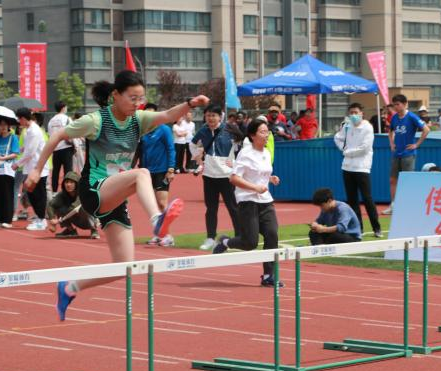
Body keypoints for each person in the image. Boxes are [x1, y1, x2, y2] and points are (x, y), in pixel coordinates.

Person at [25, 70, 207, 321]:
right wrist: (37, 170)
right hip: (94, 189)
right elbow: (57, 135)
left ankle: (70, 287)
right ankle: (157, 220)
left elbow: (167, 115)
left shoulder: (138, 119)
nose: (137, 104)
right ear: (115, 95)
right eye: (132, 98)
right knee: (141, 173)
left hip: (115, 197)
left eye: (141, 99)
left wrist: (190, 104)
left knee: (124, 266)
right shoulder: (95, 121)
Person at [212, 119, 282, 287]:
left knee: (272, 234)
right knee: (250, 242)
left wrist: (270, 179)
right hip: (248, 201)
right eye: (262, 132)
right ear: (252, 135)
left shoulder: (266, 153)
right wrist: (255, 188)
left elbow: (260, 174)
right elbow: (234, 178)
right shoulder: (245, 153)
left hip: (266, 201)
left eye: (267, 132)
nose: (266, 135)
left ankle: (269, 275)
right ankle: (226, 242)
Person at [191, 104, 240, 251]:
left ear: (220, 116)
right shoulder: (203, 130)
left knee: (233, 207)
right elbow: (192, 144)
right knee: (211, 208)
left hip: (226, 175)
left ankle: (239, 237)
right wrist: (198, 158)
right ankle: (210, 238)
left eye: (213, 115)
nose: (210, 118)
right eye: (208, 115)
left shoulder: (230, 129)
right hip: (209, 175)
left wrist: (235, 162)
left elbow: (243, 145)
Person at [334, 103, 382, 238]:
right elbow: (337, 138)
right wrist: (343, 149)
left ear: (362, 113)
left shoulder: (368, 127)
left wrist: (348, 152)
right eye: (351, 113)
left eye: (356, 112)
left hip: (362, 167)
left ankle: (376, 228)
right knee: (352, 200)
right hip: (347, 167)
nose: (353, 115)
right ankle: (358, 228)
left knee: (367, 198)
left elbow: (365, 148)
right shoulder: (347, 125)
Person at [383, 94, 429, 215]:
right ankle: (393, 205)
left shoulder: (412, 117)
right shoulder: (394, 118)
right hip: (396, 154)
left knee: (408, 181)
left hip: (408, 154)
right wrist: (391, 144)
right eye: (394, 105)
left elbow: (426, 129)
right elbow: (390, 132)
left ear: (405, 104)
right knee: (392, 180)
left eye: (398, 104)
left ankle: (409, 206)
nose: (396, 107)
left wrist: (416, 144)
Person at [139, 103, 176, 247]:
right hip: (147, 172)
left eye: (152, 114)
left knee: (162, 204)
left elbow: (171, 148)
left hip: (162, 171)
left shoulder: (164, 129)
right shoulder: (143, 132)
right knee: (154, 205)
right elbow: (140, 152)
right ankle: (158, 234)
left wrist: (171, 169)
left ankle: (168, 236)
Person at [13, 108, 50, 230]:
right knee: (32, 193)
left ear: (23, 118)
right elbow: (27, 147)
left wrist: (17, 164)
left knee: (38, 193)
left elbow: (30, 152)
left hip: (38, 168)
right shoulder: (28, 130)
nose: (18, 121)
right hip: (32, 167)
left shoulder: (34, 131)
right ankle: (40, 217)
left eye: (19, 119)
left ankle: (42, 220)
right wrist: (19, 150)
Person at [47, 171, 99, 239]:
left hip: (88, 220)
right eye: (66, 182)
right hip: (75, 218)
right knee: (58, 207)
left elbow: (74, 208)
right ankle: (71, 230)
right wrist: (52, 220)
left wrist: (58, 221)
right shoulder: (62, 194)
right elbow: (51, 205)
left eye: (71, 182)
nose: (68, 185)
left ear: (77, 184)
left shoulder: (82, 193)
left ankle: (94, 230)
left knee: (83, 208)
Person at [0, 119, 20, 228]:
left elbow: (15, 153)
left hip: (7, 170)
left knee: (7, 195)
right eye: (0, 125)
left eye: (5, 125)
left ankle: (7, 220)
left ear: (9, 126)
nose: (3, 127)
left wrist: (3, 158)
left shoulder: (13, 137)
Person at [48, 101, 74, 193]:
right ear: (63, 108)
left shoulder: (51, 121)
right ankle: (67, 192)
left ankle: (54, 192)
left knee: (55, 172)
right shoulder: (67, 118)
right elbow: (72, 132)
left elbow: (50, 135)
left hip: (55, 149)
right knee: (68, 172)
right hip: (66, 148)